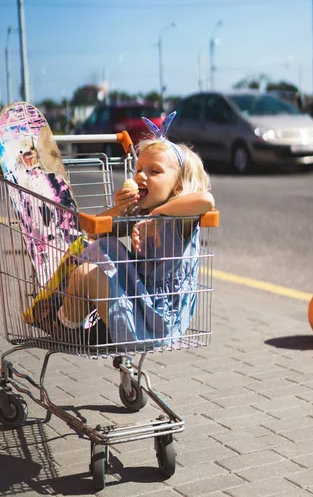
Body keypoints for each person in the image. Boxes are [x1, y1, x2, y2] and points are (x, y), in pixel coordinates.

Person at [56, 112, 215, 346]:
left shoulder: (181, 218)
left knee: (85, 274)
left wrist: (158, 215)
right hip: (138, 305)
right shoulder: (139, 215)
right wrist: (119, 210)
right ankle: (70, 322)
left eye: (154, 171)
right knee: (105, 245)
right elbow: (93, 232)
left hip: (159, 322)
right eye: (139, 169)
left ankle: (64, 327)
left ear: (178, 185)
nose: (141, 176)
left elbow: (206, 200)